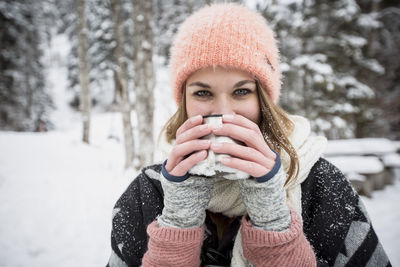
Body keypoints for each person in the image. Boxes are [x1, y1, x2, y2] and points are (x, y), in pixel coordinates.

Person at [106, 3, 391, 267]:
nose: (223, 112)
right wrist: (178, 219)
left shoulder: (321, 187)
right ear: (184, 101)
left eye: (242, 91)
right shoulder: (148, 193)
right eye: (203, 93)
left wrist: (272, 216)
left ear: (264, 100)